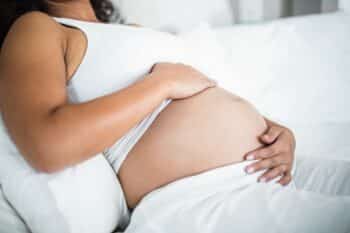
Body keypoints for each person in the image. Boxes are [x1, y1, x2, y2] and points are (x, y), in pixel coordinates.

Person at [0, 1, 349, 232]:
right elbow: (49, 145)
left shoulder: (129, 28)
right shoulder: (37, 29)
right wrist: (161, 83)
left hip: (275, 167)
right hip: (205, 196)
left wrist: (275, 130)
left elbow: (200, 89)